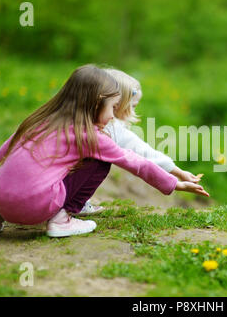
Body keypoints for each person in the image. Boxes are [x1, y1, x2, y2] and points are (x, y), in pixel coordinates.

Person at [0, 64, 209, 237]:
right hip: (35, 208)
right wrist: (173, 183)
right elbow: (135, 161)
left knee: (14, 168)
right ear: (96, 103)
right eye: (112, 108)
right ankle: (61, 219)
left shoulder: (40, 121)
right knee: (100, 162)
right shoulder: (91, 136)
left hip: (0, 199)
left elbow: (3, 153)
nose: (112, 116)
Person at [77, 68, 202, 216]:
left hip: (53, 182)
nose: (134, 112)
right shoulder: (111, 129)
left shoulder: (76, 119)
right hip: (63, 186)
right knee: (100, 165)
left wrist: (178, 173)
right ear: (116, 103)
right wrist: (178, 175)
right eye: (133, 106)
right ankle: (75, 203)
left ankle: (73, 201)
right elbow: (143, 154)